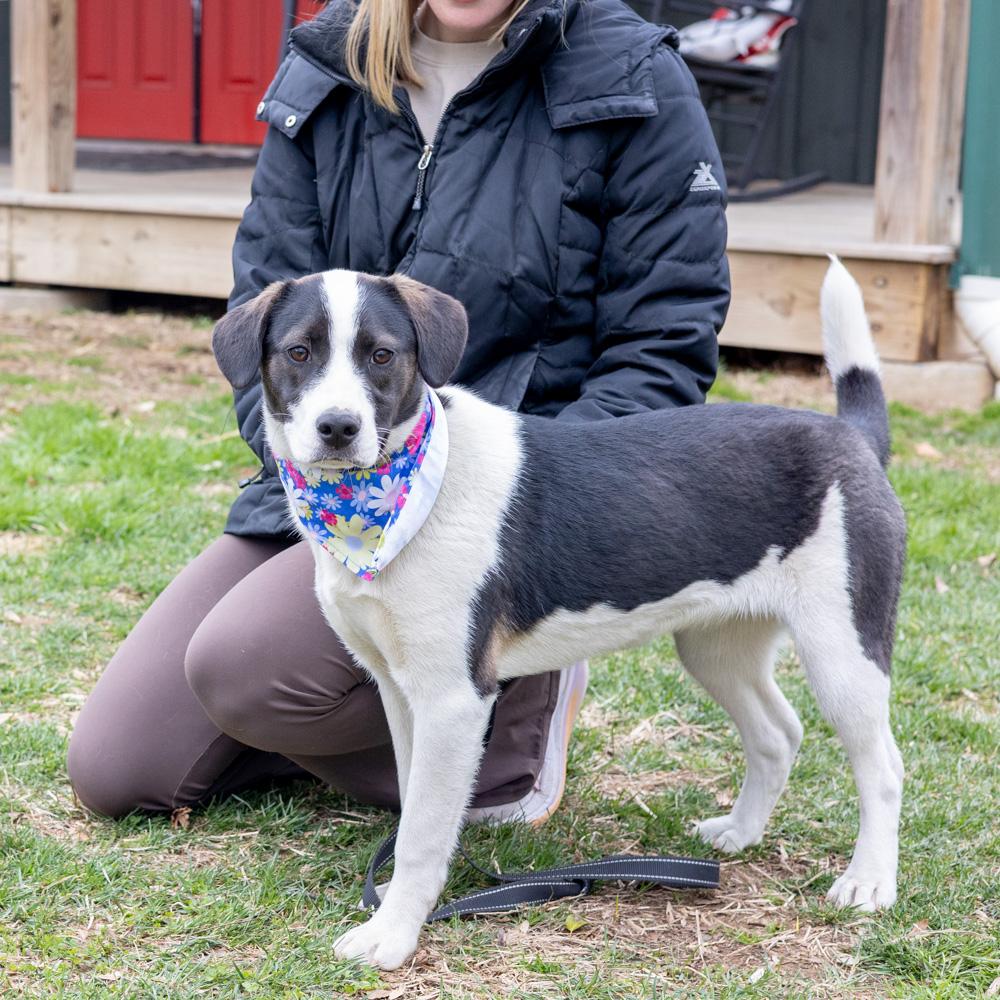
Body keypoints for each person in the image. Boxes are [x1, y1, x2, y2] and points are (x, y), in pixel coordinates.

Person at [67, 0, 729, 824]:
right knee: (120, 768)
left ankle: (506, 733)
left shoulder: (630, 75)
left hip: (512, 507)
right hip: (330, 480)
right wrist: (310, 461)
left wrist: (535, 505)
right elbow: (262, 316)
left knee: (246, 673)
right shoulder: (325, 62)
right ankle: (401, 713)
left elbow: (661, 348)